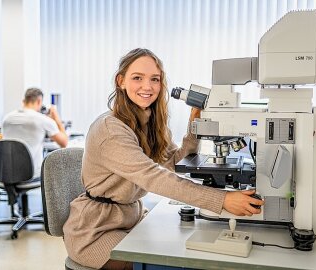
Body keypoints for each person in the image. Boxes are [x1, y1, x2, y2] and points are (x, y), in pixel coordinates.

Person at [63, 48, 264, 270]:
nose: (147, 87)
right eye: (137, 78)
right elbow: (153, 177)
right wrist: (222, 200)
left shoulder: (149, 123)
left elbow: (173, 162)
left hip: (131, 218)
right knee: (168, 263)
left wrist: (194, 126)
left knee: (183, 246)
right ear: (121, 81)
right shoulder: (111, 129)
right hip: (96, 230)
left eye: (154, 79)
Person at [2, 88, 68, 178]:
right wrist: (57, 119)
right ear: (39, 101)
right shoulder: (42, 119)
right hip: (31, 174)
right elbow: (64, 143)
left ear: (24, 101)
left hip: (5, 174)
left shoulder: (7, 118)